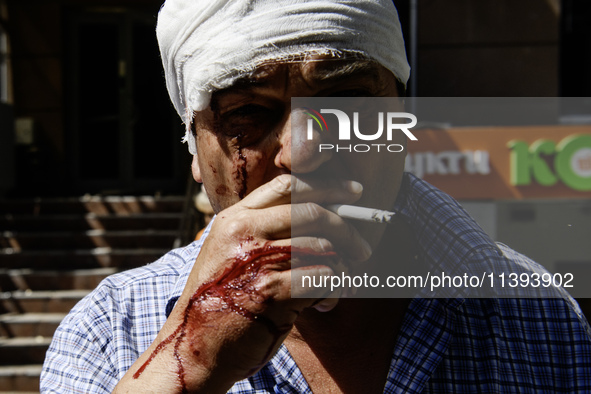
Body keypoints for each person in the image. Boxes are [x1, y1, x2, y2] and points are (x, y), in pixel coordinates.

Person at [41, 0, 591, 393]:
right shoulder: (111, 333)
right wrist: (188, 365)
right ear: (193, 149)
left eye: (348, 101)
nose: (304, 152)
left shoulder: (539, 318)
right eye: (248, 113)